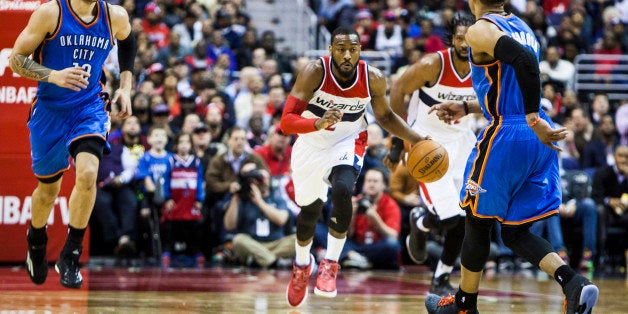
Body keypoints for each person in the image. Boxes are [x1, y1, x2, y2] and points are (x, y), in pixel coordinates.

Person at [424, 1, 598, 312]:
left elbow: (525, 62)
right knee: (516, 231)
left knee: (476, 222)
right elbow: (514, 82)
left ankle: (463, 307)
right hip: (536, 135)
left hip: (510, 132)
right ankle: (573, 283)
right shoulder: (522, 26)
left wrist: (530, 117)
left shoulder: (481, 29)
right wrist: (468, 108)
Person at [282, 27, 426, 307]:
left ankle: (331, 263)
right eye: (340, 49)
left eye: (353, 49)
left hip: (347, 140)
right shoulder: (314, 72)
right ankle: (302, 265)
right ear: (331, 50)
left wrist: (416, 139)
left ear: (360, 50)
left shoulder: (372, 77)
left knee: (343, 189)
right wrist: (317, 123)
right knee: (309, 212)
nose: (347, 55)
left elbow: (385, 115)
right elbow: (286, 121)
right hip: (311, 142)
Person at [11, 0, 135, 288]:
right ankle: (37, 239)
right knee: (47, 190)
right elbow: (16, 59)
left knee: (89, 174)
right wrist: (54, 75)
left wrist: (126, 87)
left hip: (89, 106)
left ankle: (71, 252)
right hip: (50, 111)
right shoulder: (51, 12)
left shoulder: (113, 16)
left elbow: (129, 43)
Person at [388, 13, 477, 297]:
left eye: (470, 38)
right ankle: (423, 220)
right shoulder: (432, 64)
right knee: (453, 218)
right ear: (452, 40)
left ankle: (440, 275)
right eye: (460, 38)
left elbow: (494, 100)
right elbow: (399, 89)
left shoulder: (485, 66)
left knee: (468, 216)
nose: (466, 43)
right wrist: (397, 140)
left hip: (464, 142)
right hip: (427, 143)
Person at [223, 162, 296, 268]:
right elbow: (229, 226)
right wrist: (235, 198)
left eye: (264, 177)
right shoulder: (244, 200)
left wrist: (259, 201)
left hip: (276, 244)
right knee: (238, 239)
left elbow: (281, 220)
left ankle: (259, 260)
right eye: (258, 177)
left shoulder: (277, 198)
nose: (262, 180)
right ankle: (273, 260)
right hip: (252, 244)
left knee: (299, 240)